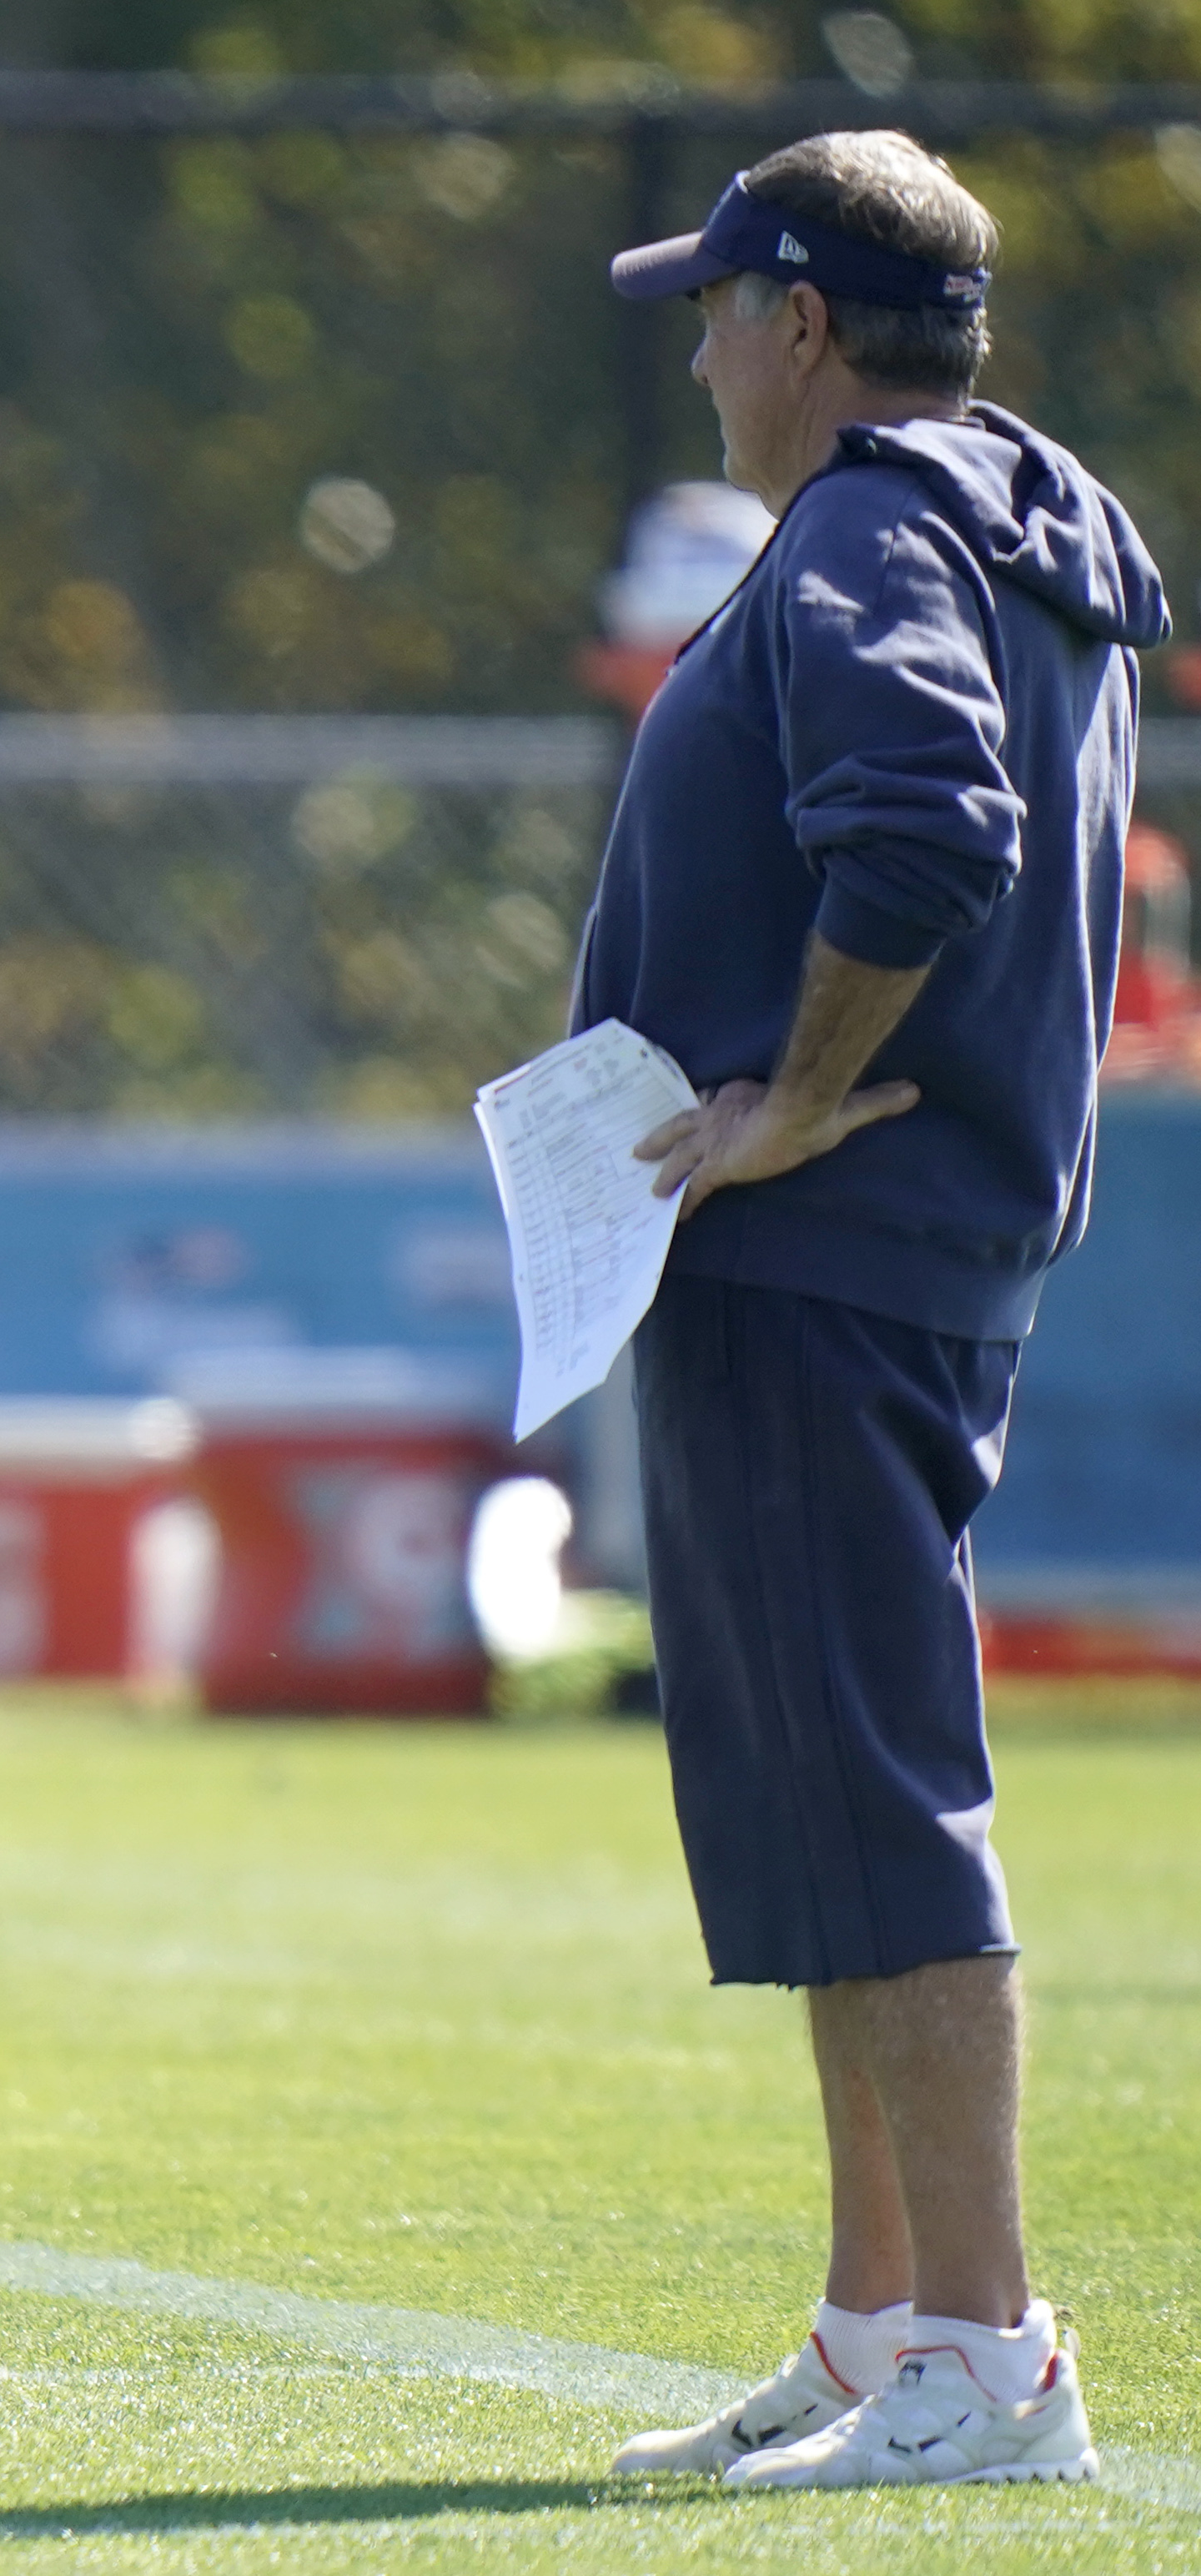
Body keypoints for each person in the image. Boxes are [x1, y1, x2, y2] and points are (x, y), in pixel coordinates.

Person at [582, 133, 1160, 2490]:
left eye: (718, 312)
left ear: (800, 324)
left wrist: (791, 1100)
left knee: (878, 1787)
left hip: (832, 1249)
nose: (701, 357)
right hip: (875, 1254)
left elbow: (926, 827)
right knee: (820, 1789)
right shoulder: (1002, 505)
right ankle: (879, 2321)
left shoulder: (859, 527)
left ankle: (985, 2358)